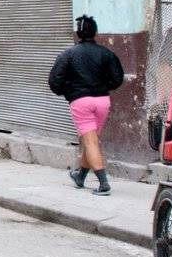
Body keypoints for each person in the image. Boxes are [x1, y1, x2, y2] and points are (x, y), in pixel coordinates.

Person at [49, 15, 126, 194]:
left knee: (90, 142)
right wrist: (102, 87)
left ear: (78, 32)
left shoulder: (68, 54)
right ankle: (80, 176)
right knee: (90, 140)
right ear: (95, 32)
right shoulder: (107, 53)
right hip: (102, 101)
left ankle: (103, 184)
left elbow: (55, 81)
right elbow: (117, 78)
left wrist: (69, 93)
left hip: (81, 102)